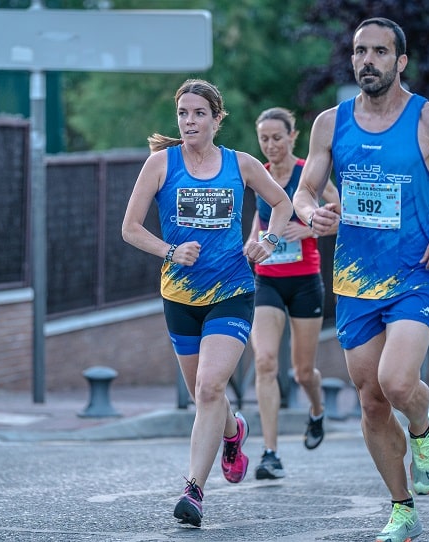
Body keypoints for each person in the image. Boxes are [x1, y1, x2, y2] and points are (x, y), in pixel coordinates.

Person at [292, 17, 429, 542]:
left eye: (379, 52)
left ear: (400, 61)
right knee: (372, 399)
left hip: (416, 271)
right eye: (360, 51)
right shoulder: (330, 123)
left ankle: (423, 429)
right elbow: (305, 191)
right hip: (356, 278)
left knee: (397, 382)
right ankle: (402, 508)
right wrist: (310, 214)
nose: (367, 61)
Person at [121, 79, 293, 527]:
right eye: (183, 113)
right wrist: (170, 251)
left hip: (232, 292)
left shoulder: (241, 164)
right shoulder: (161, 164)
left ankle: (193, 490)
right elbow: (130, 227)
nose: (189, 121)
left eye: (199, 113)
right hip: (180, 296)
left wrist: (270, 241)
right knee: (206, 395)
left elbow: (282, 203)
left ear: (217, 119)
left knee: (209, 388)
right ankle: (234, 431)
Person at [246, 107, 340, 480]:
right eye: (264, 139)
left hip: (304, 281)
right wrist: (252, 242)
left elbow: (343, 216)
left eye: (277, 138)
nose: (270, 145)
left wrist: (310, 229)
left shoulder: (307, 173)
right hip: (267, 279)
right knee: (266, 361)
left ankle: (316, 410)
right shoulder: (260, 174)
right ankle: (270, 453)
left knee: (302, 372)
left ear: (292, 137)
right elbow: (261, 218)